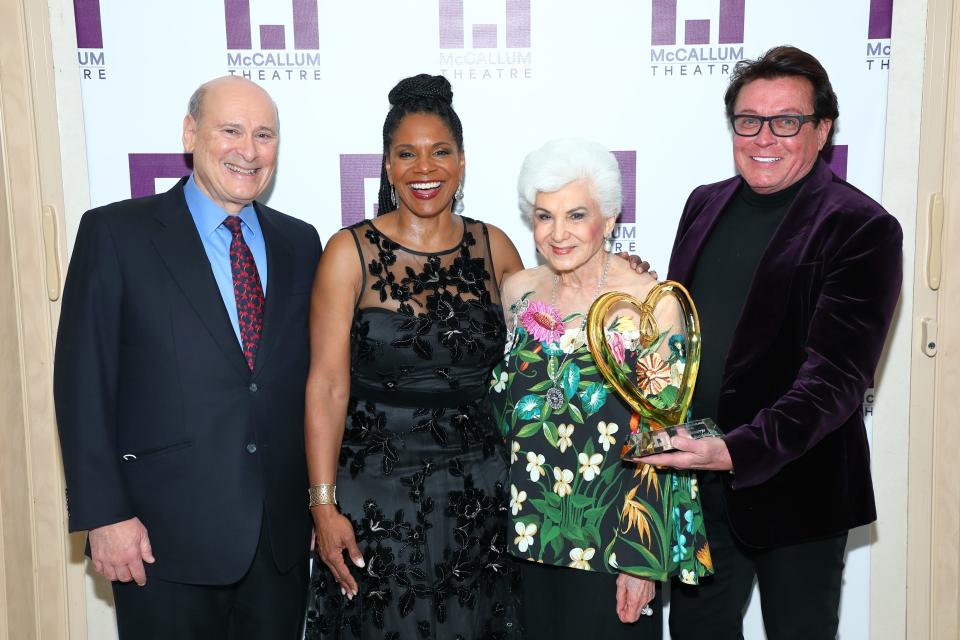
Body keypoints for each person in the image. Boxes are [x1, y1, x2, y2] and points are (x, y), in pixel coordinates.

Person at [643, 46, 903, 640]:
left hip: (800, 493)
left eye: (787, 121)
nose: (765, 137)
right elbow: (681, 326)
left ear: (822, 130)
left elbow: (835, 379)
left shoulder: (862, 227)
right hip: (701, 490)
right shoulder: (704, 203)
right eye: (748, 120)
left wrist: (736, 450)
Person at [53, 76, 321, 639]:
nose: (248, 150)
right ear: (190, 133)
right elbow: (83, 384)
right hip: (159, 543)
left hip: (279, 543)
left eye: (264, 134)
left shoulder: (301, 243)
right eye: (231, 130)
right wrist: (104, 514)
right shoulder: (116, 233)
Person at [303, 74, 525, 639]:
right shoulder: (347, 252)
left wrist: (622, 276)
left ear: (462, 160)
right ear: (386, 165)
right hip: (375, 493)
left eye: (439, 152)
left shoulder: (495, 247)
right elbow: (327, 386)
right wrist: (324, 507)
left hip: (481, 490)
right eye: (407, 153)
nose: (424, 169)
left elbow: (546, 348)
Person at [490, 138, 712, 640]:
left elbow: (665, 434)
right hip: (533, 534)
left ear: (609, 219)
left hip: (615, 543)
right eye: (544, 216)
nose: (558, 233)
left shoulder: (652, 303)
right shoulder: (517, 292)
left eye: (576, 215)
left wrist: (643, 559)